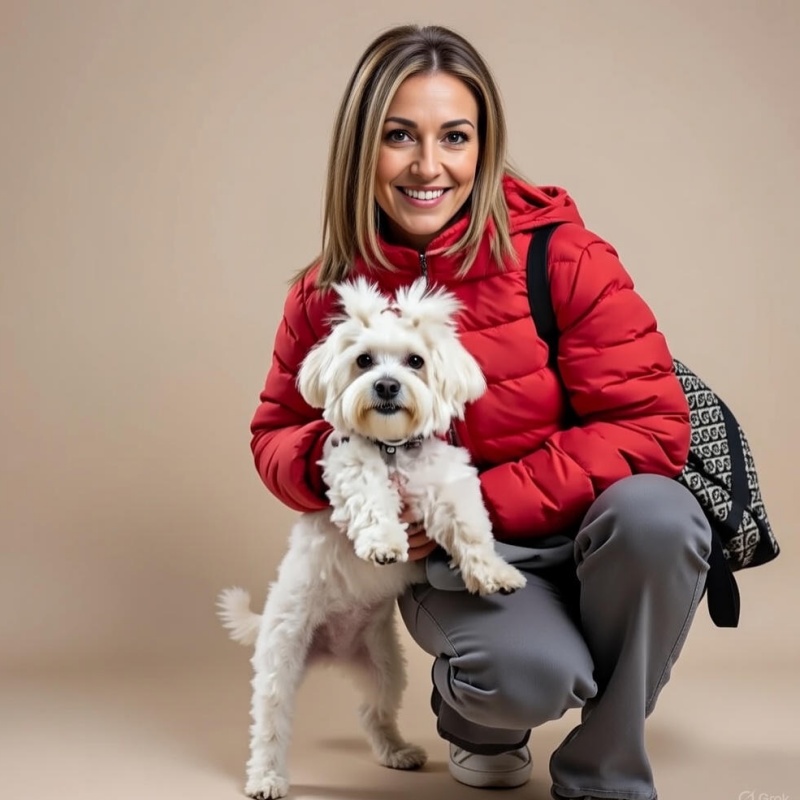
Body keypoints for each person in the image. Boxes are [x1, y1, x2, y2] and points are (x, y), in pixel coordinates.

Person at [250, 24, 711, 800]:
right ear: (363, 149)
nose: (428, 166)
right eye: (400, 135)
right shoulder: (328, 292)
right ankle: (485, 717)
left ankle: (604, 772)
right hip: (454, 565)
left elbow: (650, 428)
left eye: (454, 137)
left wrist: (464, 504)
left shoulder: (563, 257)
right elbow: (275, 433)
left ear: (484, 146)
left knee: (661, 519)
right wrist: (340, 470)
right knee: (521, 679)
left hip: (582, 530)